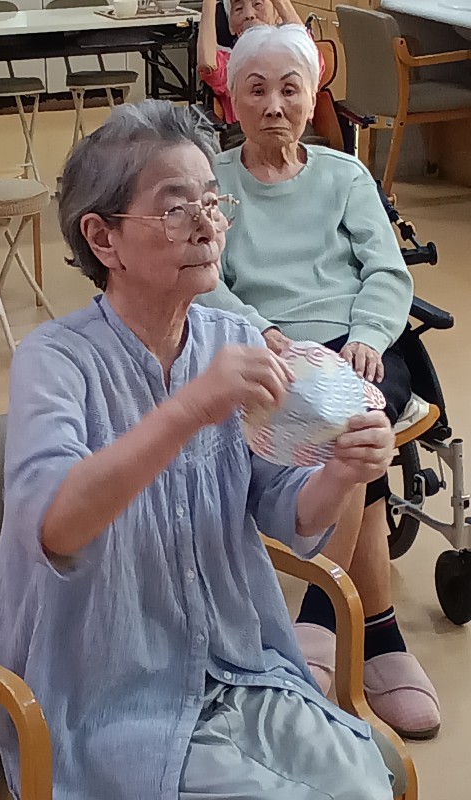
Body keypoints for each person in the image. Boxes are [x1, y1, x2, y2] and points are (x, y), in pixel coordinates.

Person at [0, 100, 397, 800]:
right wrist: (189, 408)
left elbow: (286, 514)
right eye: (175, 207)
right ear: (103, 239)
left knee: (365, 782)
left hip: (238, 666)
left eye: (212, 203)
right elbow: (56, 526)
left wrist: (341, 472)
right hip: (101, 698)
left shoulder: (232, 339)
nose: (206, 225)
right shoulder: (54, 360)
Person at [196, 23, 441, 741]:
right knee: (344, 423)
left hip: (358, 347)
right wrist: (259, 330)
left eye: (289, 89)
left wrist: (367, 334)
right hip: (270, 349)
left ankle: (319, 617)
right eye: (256, 89)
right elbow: (208, 279)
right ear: (233, 99)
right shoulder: (214, 182)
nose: (274, 105)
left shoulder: (344, 175)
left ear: (313, 96)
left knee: (354, 412)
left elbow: (386, 270)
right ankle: (377, 628)